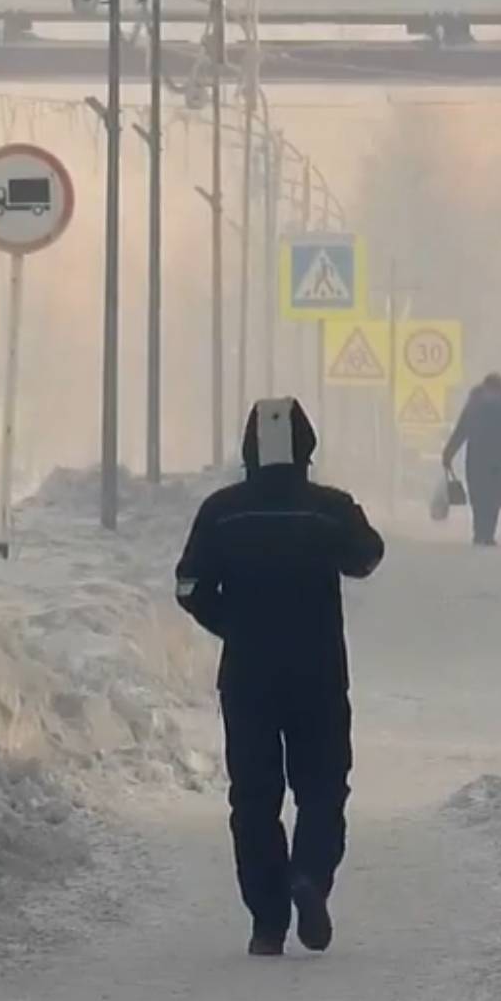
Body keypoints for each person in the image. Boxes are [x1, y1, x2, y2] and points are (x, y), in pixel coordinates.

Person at [174, 397, 386, 957]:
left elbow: (189, 587)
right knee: (321, 786)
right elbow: (367, 555)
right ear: (306, 446)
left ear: (248, 448)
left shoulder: (221, 512)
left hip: (247, 676)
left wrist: (231, 625)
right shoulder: (328, 508)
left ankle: (267, 922)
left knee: (254, 797)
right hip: (318, 672)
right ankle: (310, 877)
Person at [442, 372, 501, 547]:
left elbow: (461, 431)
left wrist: (448, 454)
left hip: (476, 457)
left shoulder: (474, 404)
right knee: (494, 497)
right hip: (500, 458)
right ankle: (488, 533)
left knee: (479, 496)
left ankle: (479, 532)